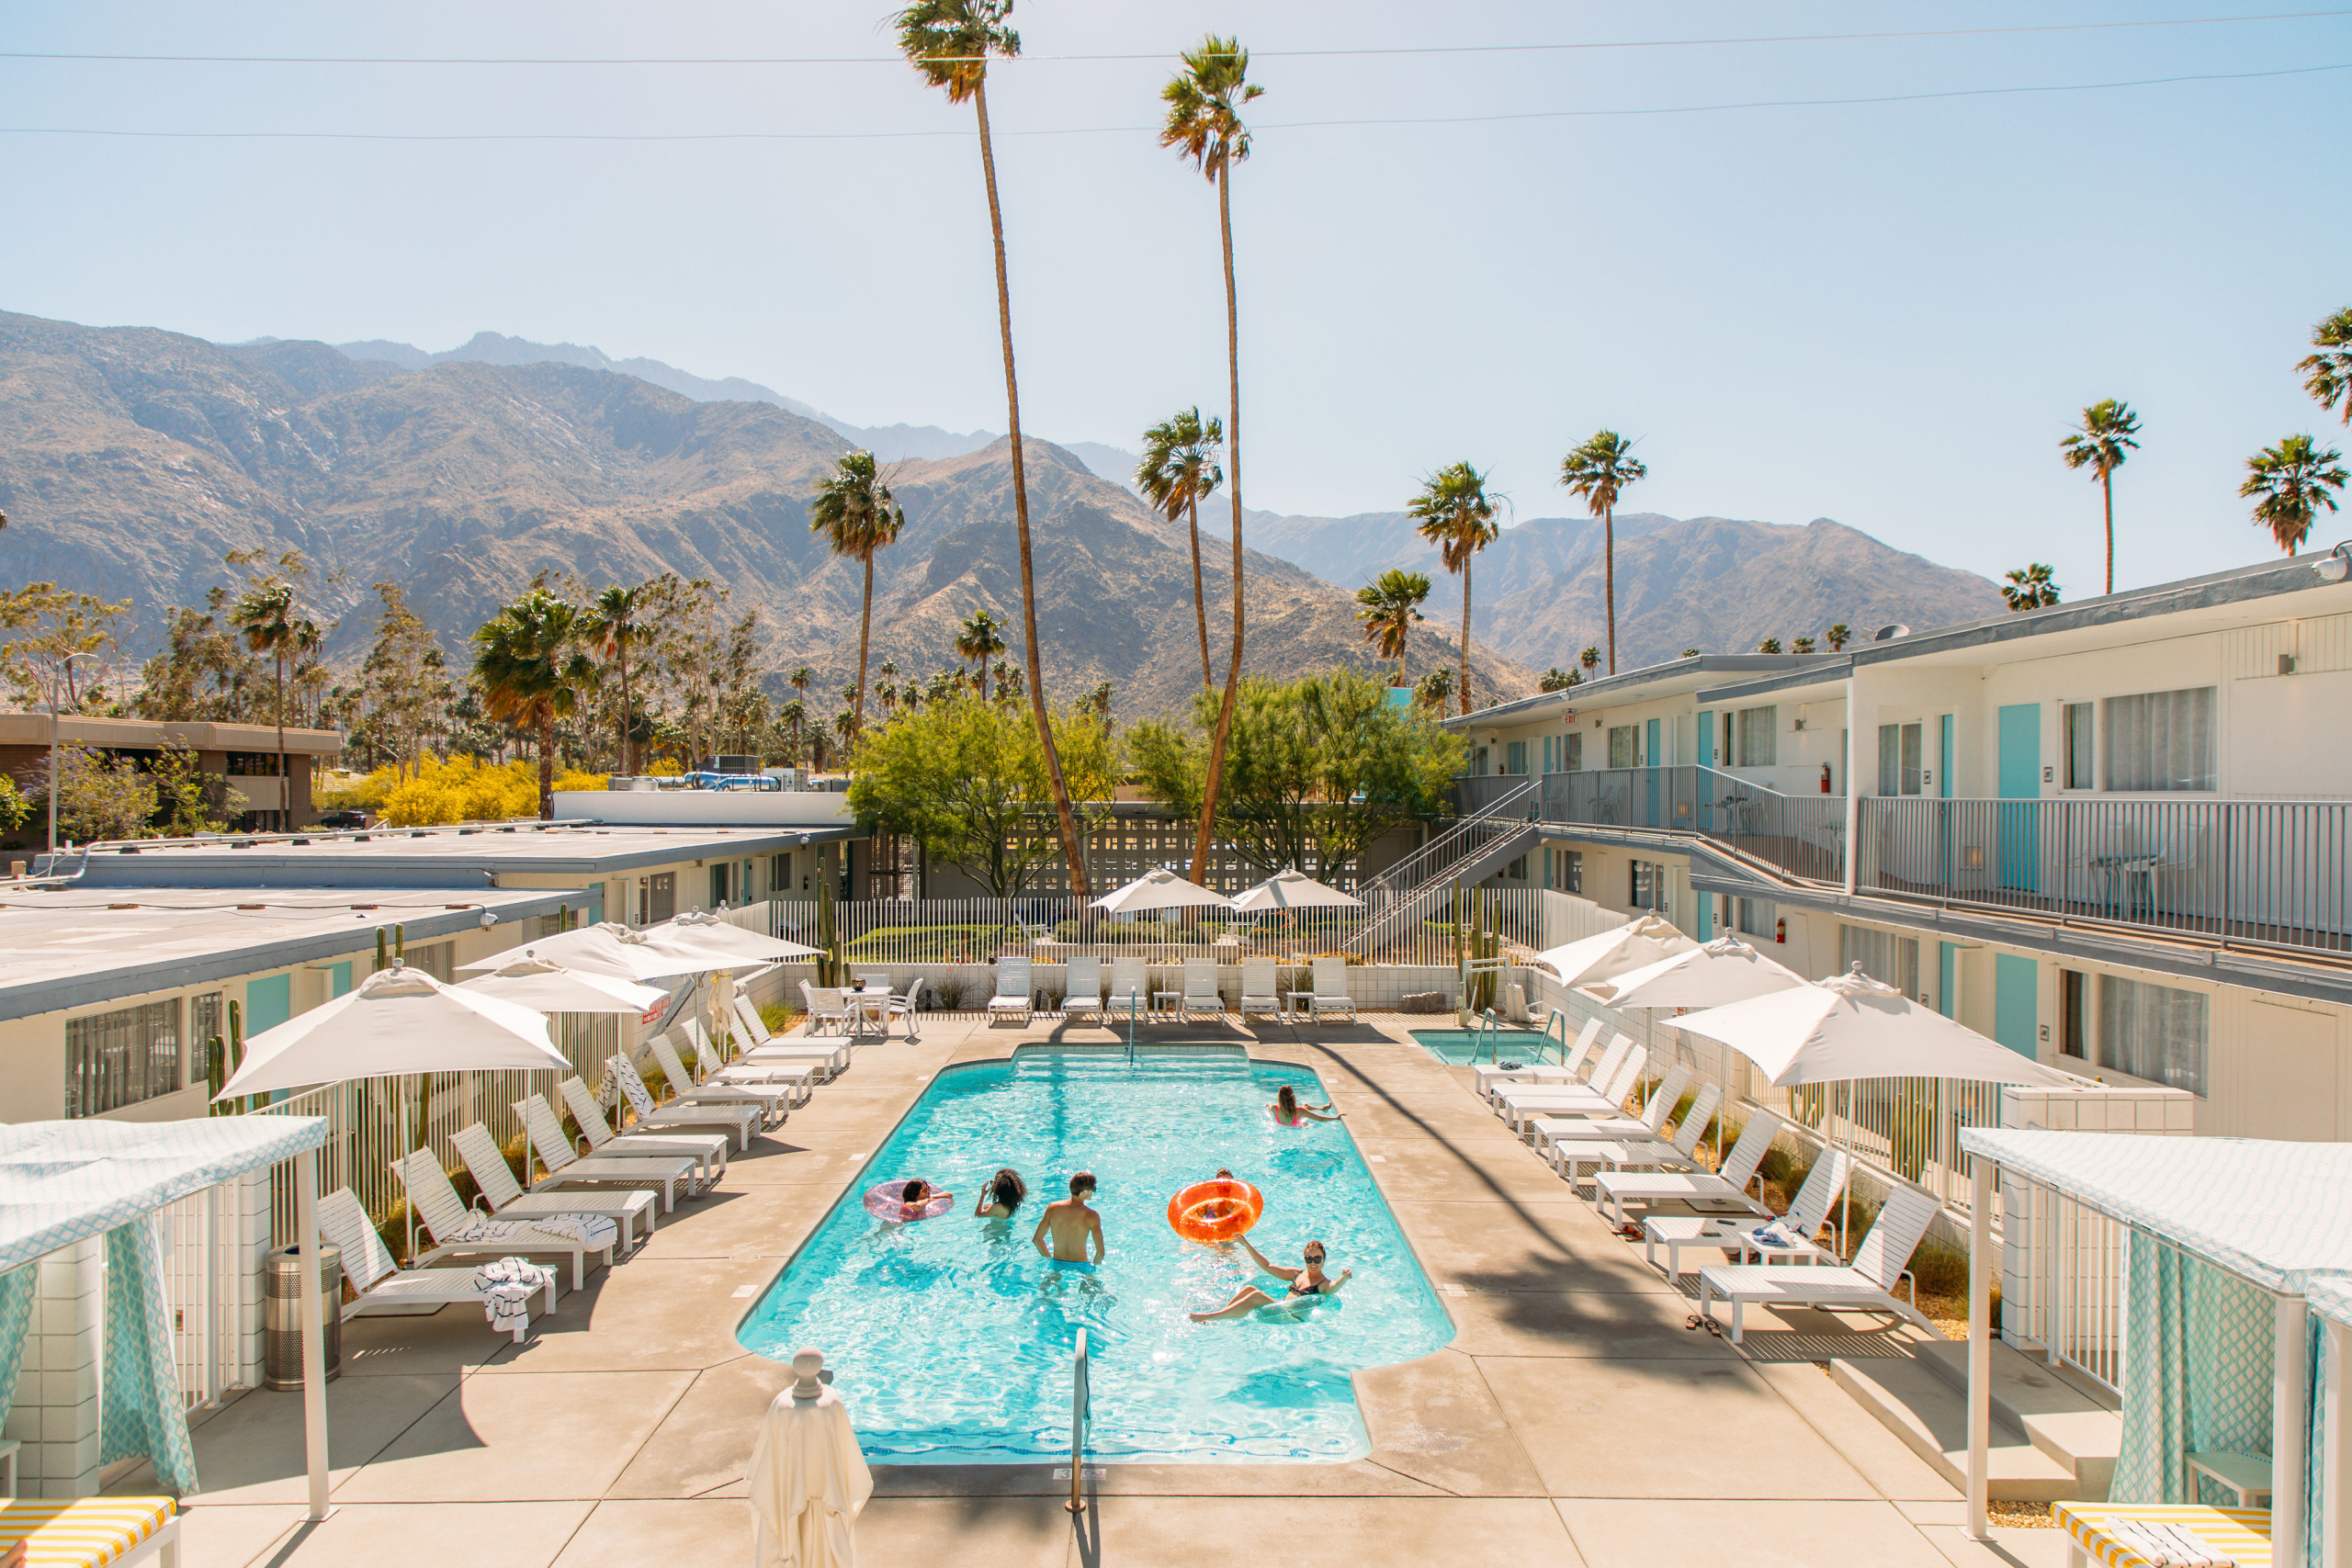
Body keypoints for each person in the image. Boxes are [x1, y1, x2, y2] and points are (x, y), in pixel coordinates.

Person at [1189, 1235, 1351, 1322]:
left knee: (1256, 1296)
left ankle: (1212, 1317)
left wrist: (1344, 1278)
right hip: (1281, 1310)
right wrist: (1247, 1246)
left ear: (1324, 1259)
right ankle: (1222, 1315)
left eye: (1317, 1259)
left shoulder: (1323, 1284)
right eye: (1309, 1259)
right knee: (1249, 1289)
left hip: (1292, 1318)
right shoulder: (1297, 1274)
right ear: (1304, 1259)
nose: (1313, 1263)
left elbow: (1333, 1288)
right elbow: (1267, 1266)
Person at [1033, 1171, 1105, 1263]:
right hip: (1080, 1265)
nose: (1093, 1192)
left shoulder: (1053, 1208)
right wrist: (1092, 1267)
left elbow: (1037, 1240)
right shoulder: (1092, 1215)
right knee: (1090, 1277)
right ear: (1084, 1192)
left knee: (1053, 1277)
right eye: (1093, 1189)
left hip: (1057, 1263)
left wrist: (1050, 1260)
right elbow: (1100, 1253)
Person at [1269, 1083, 1340, 1125]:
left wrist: (1269, 1104)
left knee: (1305, 1106)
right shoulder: (1299, 1111)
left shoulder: (1274, 1109)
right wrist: (1336, 1118)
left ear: (1279, 1098)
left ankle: (1322, 1109)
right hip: (1298, 1126)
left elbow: (1269, 1104)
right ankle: (1323, 1109)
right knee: (1306, 1106)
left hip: (1286, 1125)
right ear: (1293, 1097)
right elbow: (1320, 1119)